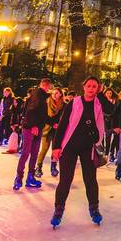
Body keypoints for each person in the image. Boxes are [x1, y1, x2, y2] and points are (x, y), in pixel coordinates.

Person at [50, 76, 106, 228]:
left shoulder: (99, 104)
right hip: (70, 146)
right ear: (84, 87)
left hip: (88, 147)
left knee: (90, 179)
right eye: (89, 86)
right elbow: (62, 125)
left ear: (98, 88)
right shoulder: (74, 103)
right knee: (65, 179)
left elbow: (112, 110)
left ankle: (94, 209)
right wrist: (56, 146)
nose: (91, 89)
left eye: (94, 86)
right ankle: (58, 210)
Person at [13, 77, 52, 191]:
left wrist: (53, 122)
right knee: (26, 153)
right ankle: (19, 178)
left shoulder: (39, 94)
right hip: (31, 128)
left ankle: (30, 177)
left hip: (36, 127)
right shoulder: (38, 94)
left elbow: (42, 114)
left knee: (34, 153)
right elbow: (31, 110)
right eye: (49, 87)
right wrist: (33, 125)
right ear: (46, 85)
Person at [35, 87, 65, 178]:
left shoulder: (64, 105)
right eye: (53, 94)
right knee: (44, 148)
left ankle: (53, 167)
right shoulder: (47, 103)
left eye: (57, 93)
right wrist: (52, 123)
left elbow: (64, 117)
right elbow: (43, 116)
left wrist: (59, 124)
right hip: (47, 129)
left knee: (55, 149)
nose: (55, 95)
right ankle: (38, 167)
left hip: (58, 130)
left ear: (60, 94)